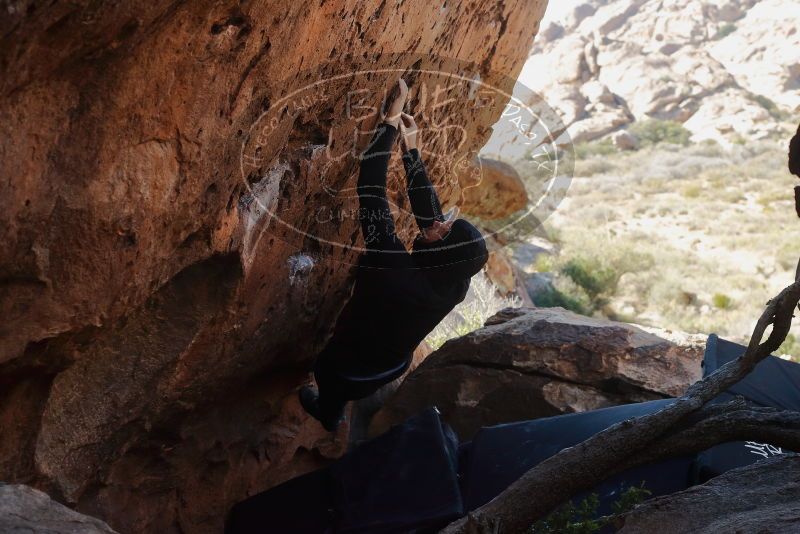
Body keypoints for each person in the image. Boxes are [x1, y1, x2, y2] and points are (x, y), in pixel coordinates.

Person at [300, 79, 489, 431]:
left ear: (444, 251)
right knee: (355, 373)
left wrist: (389, 123)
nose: (436, 225)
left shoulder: (395, 271)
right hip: (387, 367)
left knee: (330, 383)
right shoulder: (454, 281)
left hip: (343, 367)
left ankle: (328, 411)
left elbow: (370, 189)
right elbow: (430, 219)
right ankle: (336, 411)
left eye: (443, 232)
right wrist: (411, 149)